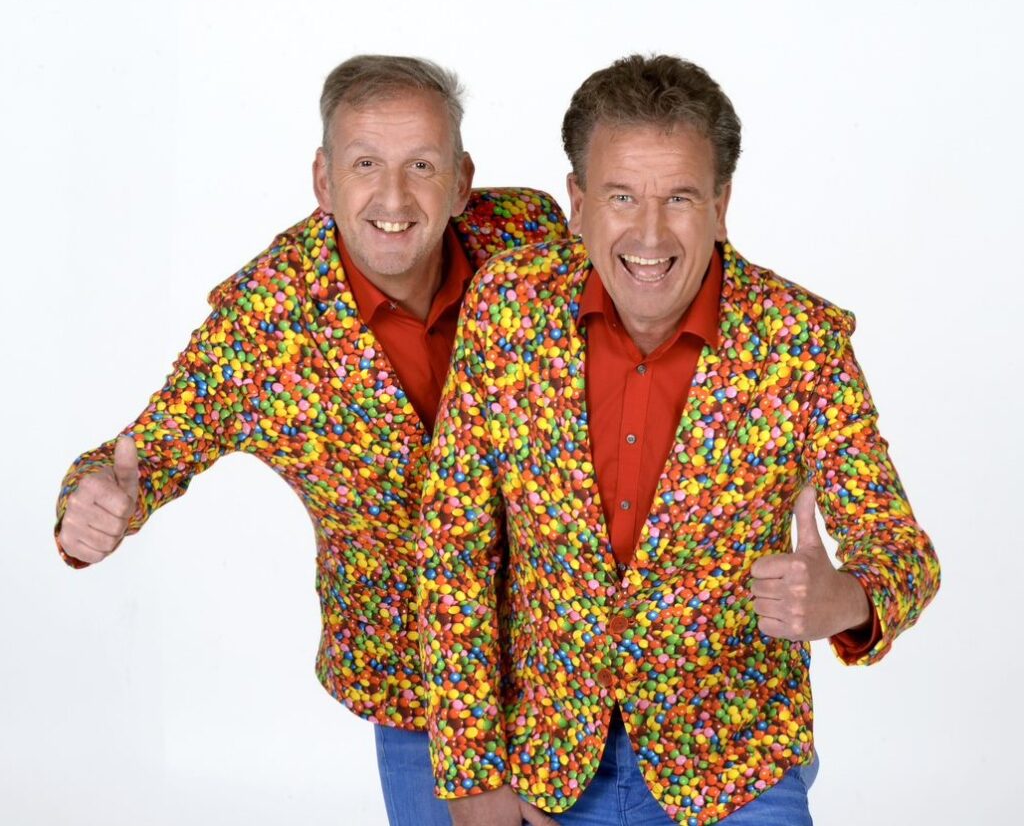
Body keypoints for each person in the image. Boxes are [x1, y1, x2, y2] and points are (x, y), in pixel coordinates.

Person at [418, 54, 940, 826]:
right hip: (544, 769)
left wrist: (847, 600)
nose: (650, 232)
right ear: (578, 203)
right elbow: (454, 549)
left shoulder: (801, 342)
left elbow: (903, 553)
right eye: (622, 196)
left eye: (680, 198)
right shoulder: (506, 308)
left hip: (738, 769)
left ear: (721, 206)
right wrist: (470, 776)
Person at [53, 54, 567, 826]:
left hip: (573, 669)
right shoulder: (265, 320)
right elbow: (146, 451)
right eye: (365, 164)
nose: (393, 197)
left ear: (461, 181)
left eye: (421, 165)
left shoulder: (529, 234)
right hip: (417, 691)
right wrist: (95, 497)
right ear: (324, 181)